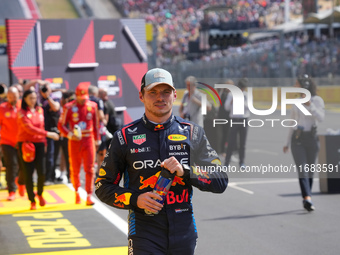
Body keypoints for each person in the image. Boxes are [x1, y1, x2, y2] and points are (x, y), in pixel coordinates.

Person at [95, 68, 228, 255]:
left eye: (166, 92)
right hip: (144, 231)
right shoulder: (124, 137)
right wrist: (136, 199)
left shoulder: (192, 132)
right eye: (153, 92)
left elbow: (220, 181)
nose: (160, 97)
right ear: (141, 96)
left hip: (184, 231)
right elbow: (102, 187)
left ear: (175, 95)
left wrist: (186, 171)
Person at [283, 74, 325, 212]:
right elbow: (292, 122)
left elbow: (321, 118)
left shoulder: (317, 100)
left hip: (312, 138)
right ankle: (307, 198)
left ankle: (308, 196)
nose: (295, 86)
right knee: (303, 170)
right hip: (298, 139)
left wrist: (310, 105)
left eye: (297, 84)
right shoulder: (295, 102)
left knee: (311, 171)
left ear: (304, 86)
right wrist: (287, 142)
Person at [58, 83, 101, 206]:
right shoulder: (69, 107)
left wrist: (97, 139)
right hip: (75, 141)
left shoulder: (92, 106)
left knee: (90, 169)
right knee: (75, 168)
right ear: (76, 96)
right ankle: (76, 191)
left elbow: (96, 124)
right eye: (81, 98)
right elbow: (61, 125)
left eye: (85, 98)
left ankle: (89, 195)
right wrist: (70, 135)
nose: (83, 101)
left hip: (88, 140)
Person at [17, 89, 59, 210]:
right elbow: (29, 128)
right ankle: (32, 200)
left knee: (42, 172)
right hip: (26, 144)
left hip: (40, 143)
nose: (33, 100)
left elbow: (41, 126)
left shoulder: (40, 110)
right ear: (25, 99)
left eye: (35, 98)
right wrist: (48, 134)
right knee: (28, 173)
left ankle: (40, 193)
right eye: (30, 98)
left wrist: (45, 142)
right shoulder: (22, 112)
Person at [0, 87, 25, 201]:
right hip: (7, 141)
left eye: (14, 96)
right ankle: (11, 190)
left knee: (24, 165)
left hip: (22, 141)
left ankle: (21, 183)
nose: (12, 99)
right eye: (10, 97)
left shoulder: (23, 106)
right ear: (7, 97)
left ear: (18, 95)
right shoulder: (2, 108)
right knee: (11, 165)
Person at [224, 78, 250, 168]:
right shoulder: (231, 95)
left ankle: (242, 162)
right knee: (231, 142)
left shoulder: (246, 95)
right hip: (234, 120)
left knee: (242, 143)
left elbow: (249, 107)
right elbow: (226, 107)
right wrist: (232, 101)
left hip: (243, 119)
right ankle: (226, 162)